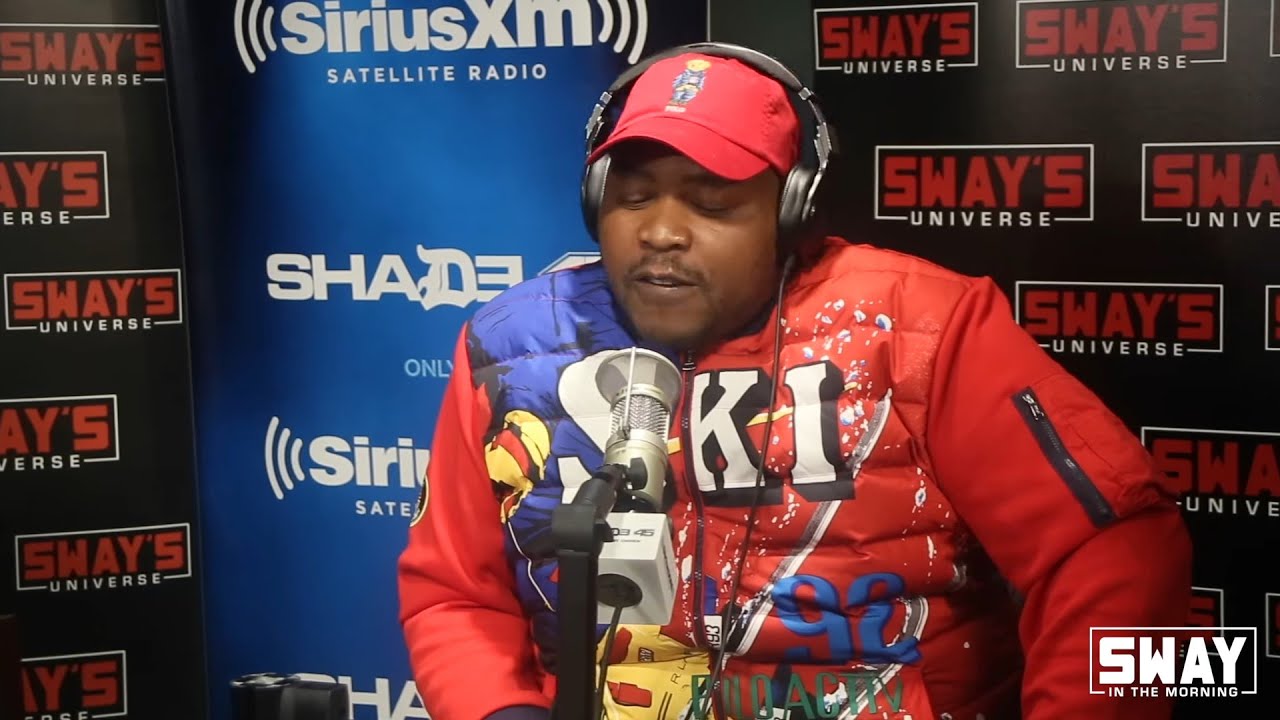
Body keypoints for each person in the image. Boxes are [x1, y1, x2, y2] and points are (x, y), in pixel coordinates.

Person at [397, 43, 1193, 720]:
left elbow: (1117, 552)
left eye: (712, 202)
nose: (662, 231)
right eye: (632, 196)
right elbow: (453, 592)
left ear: (792, 212)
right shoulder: (509, 348)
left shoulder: (922, 328)